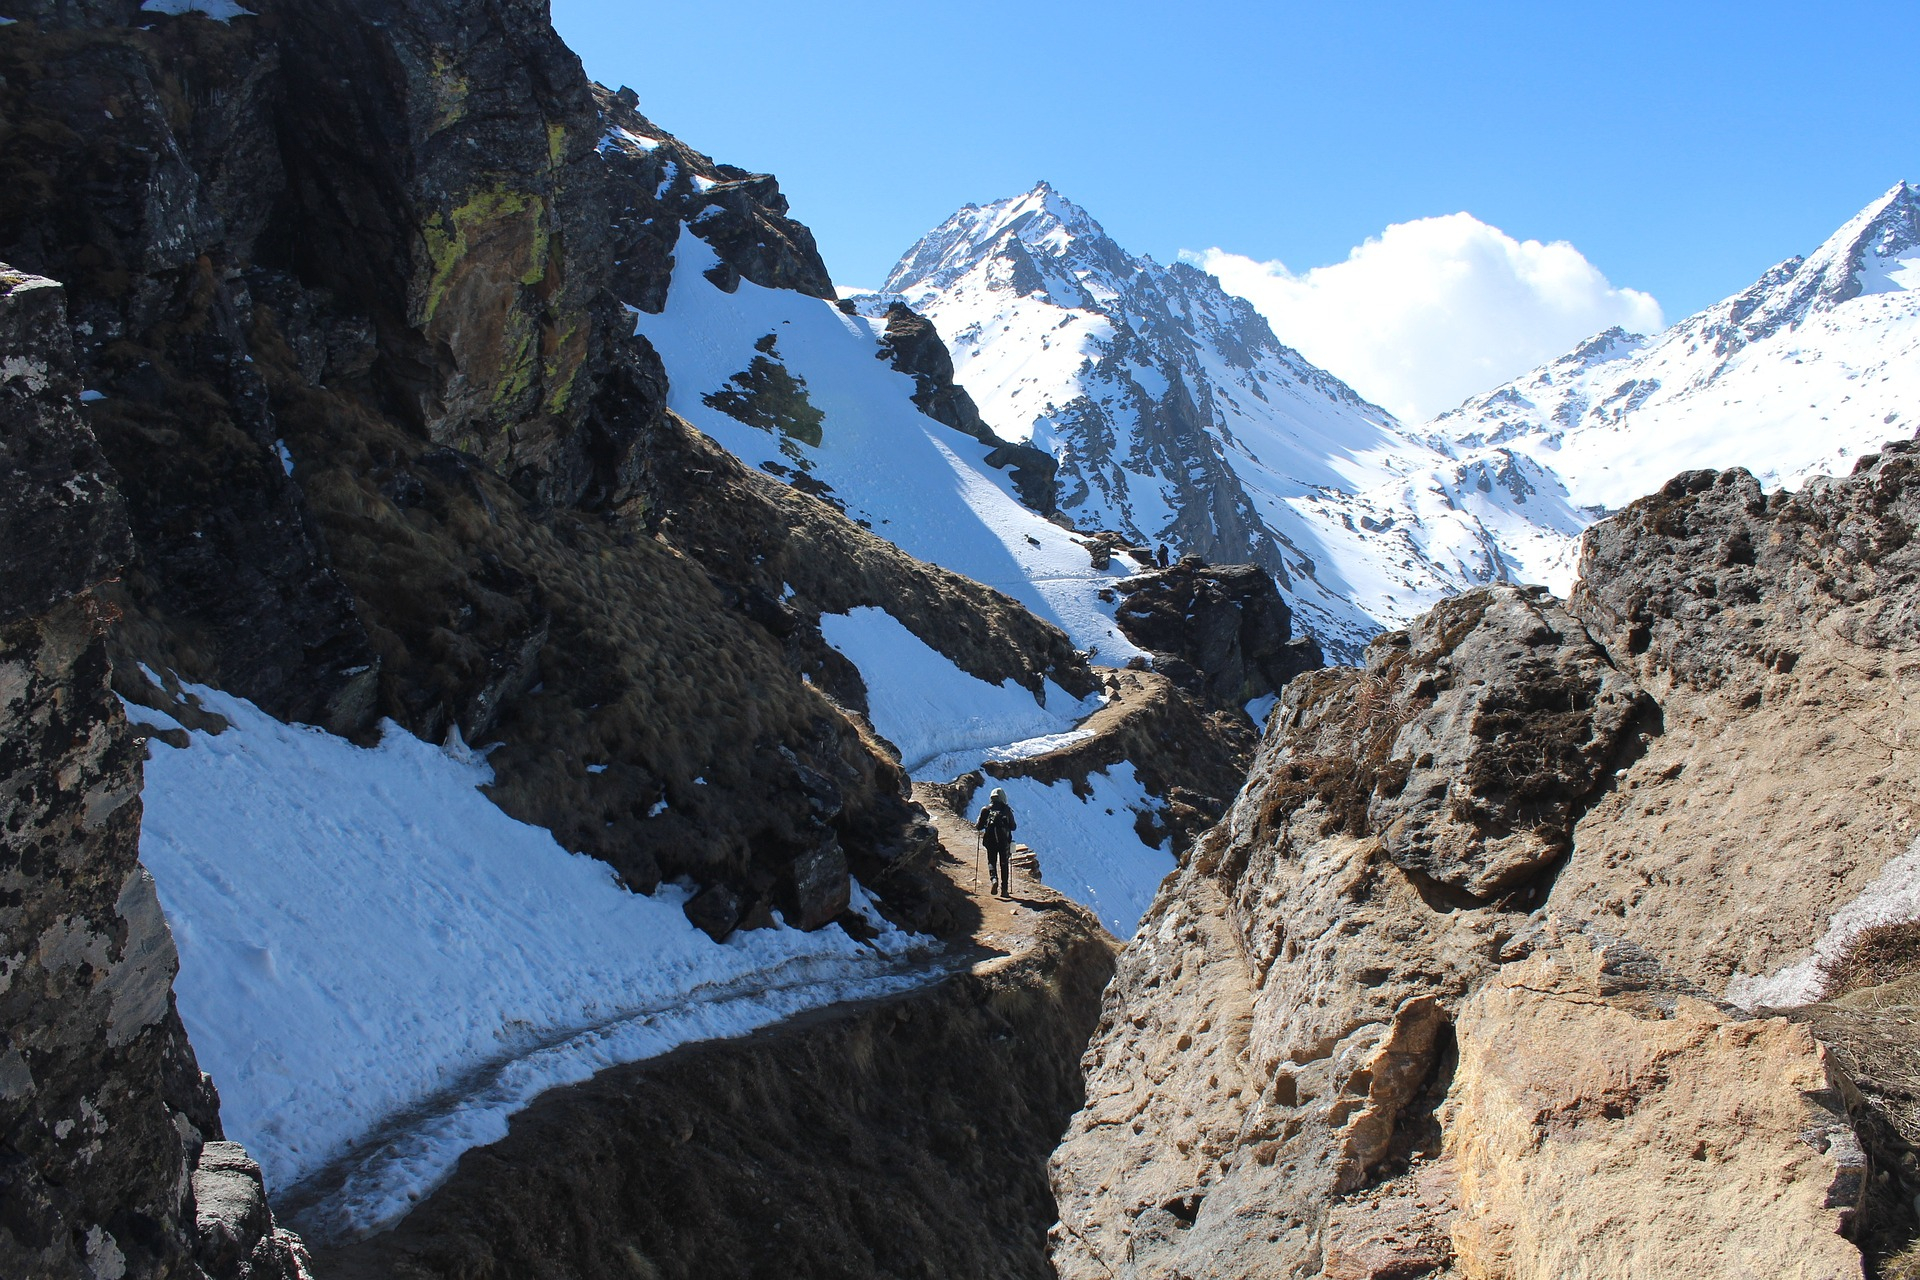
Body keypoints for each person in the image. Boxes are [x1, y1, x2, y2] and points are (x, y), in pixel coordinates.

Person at [976, 787, 1018, 898]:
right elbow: (1013, 827)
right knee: (1004, 863)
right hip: (1004, 841)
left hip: (990, 840)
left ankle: (994, 879)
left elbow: (978, 827)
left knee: (991, 861)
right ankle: (1004, 890)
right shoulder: (1006, 810)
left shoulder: (985, 810)